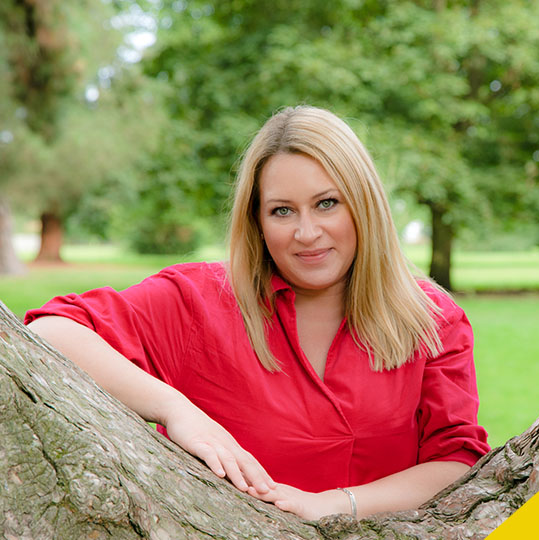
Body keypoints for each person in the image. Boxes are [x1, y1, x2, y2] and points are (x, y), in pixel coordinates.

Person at [26, 105, 489, 521]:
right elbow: (49, 332)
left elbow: (455, 463)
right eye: (282, 211)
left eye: (327, 203)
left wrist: (333, 504)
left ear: (363, 204)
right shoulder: (198, 301)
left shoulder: (431, 320)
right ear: (258, 222)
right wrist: (174, 408)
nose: (306, 233)